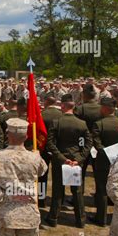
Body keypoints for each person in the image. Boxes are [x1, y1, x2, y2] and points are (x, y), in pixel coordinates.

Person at [0, 118, 48, 236]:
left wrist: (1, 197)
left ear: (8, 135)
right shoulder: (35, 158)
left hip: (3, 214)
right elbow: (42, 171)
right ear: (26, 136)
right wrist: (36, 155)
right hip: (28, 212)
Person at [46, 94, 92, 228]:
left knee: (58, 190)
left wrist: (62, 158)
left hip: (61, 161)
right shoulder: (82, 123)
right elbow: (88, 144)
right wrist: (78, 159)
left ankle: (53, 217)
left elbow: (50, 144)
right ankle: (80, 220)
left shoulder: (57, 122)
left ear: (62, 106)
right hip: (75, 160)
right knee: (77, 191)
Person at [90, 97, 118, 227]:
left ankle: (101, 218)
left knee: (102, 190)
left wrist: (106, 153)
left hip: (103, 161)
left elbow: (97, 143)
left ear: (104, 108)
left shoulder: (99, 124)